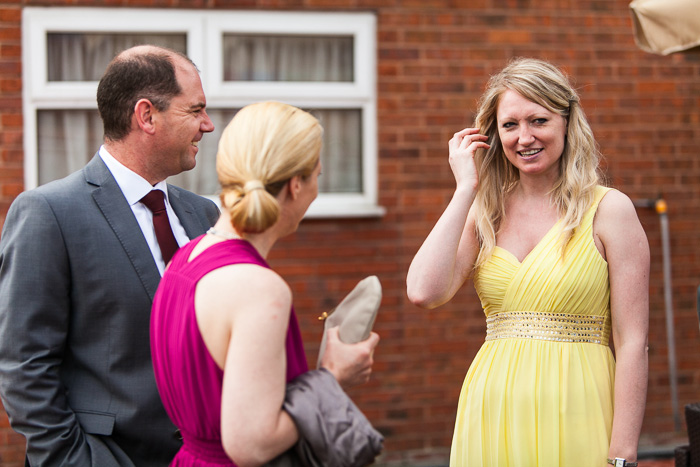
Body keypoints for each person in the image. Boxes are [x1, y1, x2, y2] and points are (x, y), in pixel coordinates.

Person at [407, 57, 649, 467]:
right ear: (493, 133)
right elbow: (423, 291)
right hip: (492, 409)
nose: (524, 138)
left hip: (581, 408)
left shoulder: (611, 211)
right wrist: (466, 187)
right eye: (510, 125)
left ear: (567, 123)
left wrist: (623, 453)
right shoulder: (485, 213)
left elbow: (632, 342)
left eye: (538, 120)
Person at [0, 45, 219, 466]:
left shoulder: (202, 213)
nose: (207, 125)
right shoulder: (49, 213)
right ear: (146, 116)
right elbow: (23, 366)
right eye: (195, 111)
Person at [150, 101, 382, 466]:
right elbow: (252, 444)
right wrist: (333, 377)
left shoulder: (187, 257)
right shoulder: (258, 288)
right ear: (295, 185)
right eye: (317, 175)